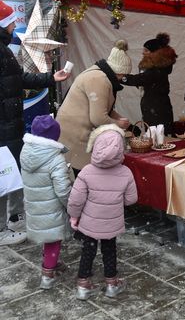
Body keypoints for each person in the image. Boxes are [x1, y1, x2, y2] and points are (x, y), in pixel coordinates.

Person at [0, 1, 70, 246]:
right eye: (11, 20)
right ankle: (1, 228)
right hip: (3, 125)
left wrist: (51, 77)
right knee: (3, 175)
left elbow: (19, 79)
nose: (14, 24)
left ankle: (14, 217)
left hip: (10, 123)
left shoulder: (4, 49)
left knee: (14, 172)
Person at [67, 124, 138, 300]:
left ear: (95, 147)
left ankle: (83, 286)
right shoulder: (126, 172)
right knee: (110, 250)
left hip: (89, 223)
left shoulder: (86, 172)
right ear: (120, 148)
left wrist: (74, 216)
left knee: (88, 251)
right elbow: (131, 200)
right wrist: (115, 201)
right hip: (112, 223)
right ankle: (112, 284)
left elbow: (76, 200)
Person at [56, 40, 132, 176]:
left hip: (72, 133)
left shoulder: (98, 74)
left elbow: (101, 108)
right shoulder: (99, 79)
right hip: (75, 136)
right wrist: (119, 124)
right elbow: (98, 118)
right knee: (82, 178)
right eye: (124, 75)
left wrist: (118, 117)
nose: (123, 79)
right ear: (119, 72)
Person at [20, 115, 72, 289]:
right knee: (54, 239)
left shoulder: (26, 151)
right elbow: (63, 190)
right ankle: (47, 275)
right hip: (51, 207)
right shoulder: (55, 159)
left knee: (47, 236)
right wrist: (71, 205)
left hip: (35, 205)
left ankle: (51, 264)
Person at [120, 33, 177, 135]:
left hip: (157, 109)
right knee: (155, 134)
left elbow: (140, 79)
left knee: (156, 136)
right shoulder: (156, 69)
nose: (143, 53)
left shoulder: (157, 70)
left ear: (155, 53)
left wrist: (121, 78)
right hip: (156, 107)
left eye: (146, 50)